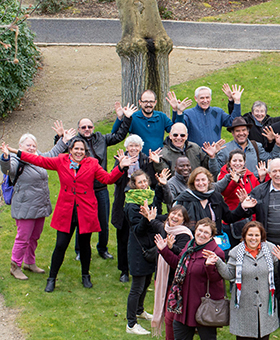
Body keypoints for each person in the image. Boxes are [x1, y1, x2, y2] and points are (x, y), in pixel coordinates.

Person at [3, 138, 137, 292]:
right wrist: (15, 152)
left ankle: (86, 276)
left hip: (85, 211)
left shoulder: (92, 163)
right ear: (70, 150)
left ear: (85, 151)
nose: (79, 152)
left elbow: (107, 179)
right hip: (66, 211)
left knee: (85, 245)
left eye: (82, 149)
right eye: (76, 149)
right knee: (60, 245)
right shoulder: (61, 161)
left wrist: (120, 167)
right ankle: (51, 278)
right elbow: (38, 160)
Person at [1, 124, 72, 280]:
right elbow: (8, 170)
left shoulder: (38, 156)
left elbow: (52, 154)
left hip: (40, 205)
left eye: (34, 145)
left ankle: (29, 263)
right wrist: (5, 157)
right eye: (28, 145)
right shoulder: (15, 159)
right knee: (23, 237)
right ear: (20, 146)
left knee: (35, 237)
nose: (32, 148)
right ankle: (15, 266)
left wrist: (64, 141)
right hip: (24, 206)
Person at [156, 218, 225, 340]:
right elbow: (178, 264)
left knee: (207, 338)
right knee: (181, 333)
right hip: (184, 300)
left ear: (212, 235)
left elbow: (216, 279)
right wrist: (164, 250)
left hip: (203, 304)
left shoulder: (216, 252)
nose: (201, 234)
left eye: (206, 232)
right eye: (200, 230)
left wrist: (209, 266)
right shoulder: (190, 246)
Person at [216, 221, 279, 340]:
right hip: (243, 303)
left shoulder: (271, 251)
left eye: (257, 235)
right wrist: (217, 262)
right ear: (244, 236)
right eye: (250, 235)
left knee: (262, 338)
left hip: (265, 302)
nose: (253, 238)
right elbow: (229, 274)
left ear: (261, 236)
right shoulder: (236, 253)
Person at [69, 103, 135, 261]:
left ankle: (102, 248)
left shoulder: (101, 139)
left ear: (93, 128)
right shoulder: (75, 144)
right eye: (83, 127)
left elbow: (119, 135)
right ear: (78, 129)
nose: (87, 129)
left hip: (101, 188)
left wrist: (126, 119)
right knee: (82, 221)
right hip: (83, 191)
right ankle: (80, 250)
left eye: (89, 126)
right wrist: (59, 138)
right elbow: (61, 150)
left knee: (103, 221)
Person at [112, 134, 162, 283]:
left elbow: (153, 182)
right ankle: (124, 270)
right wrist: (122, 166)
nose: (134, 149)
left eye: (136, 146)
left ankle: (147, 266)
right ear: (126, 148)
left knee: (145, 236)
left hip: (144, 204)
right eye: (131, 146)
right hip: (124, 203)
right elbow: (114, 179)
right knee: (124, 237)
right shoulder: (119, 160)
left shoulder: (146, 159)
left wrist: (155, 164)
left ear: (141, 148)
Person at [148, 205, 192, 340]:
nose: (175, 217)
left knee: (171, 317)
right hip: (163, 279)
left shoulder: (185, 235)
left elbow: (179, 261)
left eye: (180, 215)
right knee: (170, 318)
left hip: (177, 282)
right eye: (173, 213)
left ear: (184, 221)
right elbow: (156, 225)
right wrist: (151, 218)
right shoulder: (165, 229)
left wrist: (170, 248)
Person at [124, 170, 162, 335]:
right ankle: (131, 324)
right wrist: (147, 219)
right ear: (134, 184)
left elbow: (156, 215)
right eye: (140, 182)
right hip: (138, 249)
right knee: (137, 287)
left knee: (146, 282)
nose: (143, 184)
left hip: (151, 246)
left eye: (145, 181)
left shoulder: (150, 196)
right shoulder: (131, 204)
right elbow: (138, 230)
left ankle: (140, 310)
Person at [174, 166, 257, 235]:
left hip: (215, 241)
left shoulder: (216, 197)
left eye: (203, 180)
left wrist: (242, 206)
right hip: (192, 241)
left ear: (208, 181)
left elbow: (229, 218)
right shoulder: (184, 199)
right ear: (193, 182)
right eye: (197, 180)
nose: (200, 183)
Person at [111, 89, 186, 154]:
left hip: (159, 158)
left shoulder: (161, 117)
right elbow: (115, 135)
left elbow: (176, 131)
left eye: (151, 102)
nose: (148, 104)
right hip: (139, 160)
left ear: (155, 102)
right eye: (145, 102)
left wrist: (177, 111)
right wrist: (120, 118)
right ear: (140, 102)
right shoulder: (133, 117)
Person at [217, 149, 262, 247]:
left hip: (248, 219)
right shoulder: (224, 175)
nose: (237, 163)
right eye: (234, 161)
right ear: (229, 162)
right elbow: (225, 193)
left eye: (240, 161)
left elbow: (259, 192)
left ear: (244, 162)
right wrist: (234, 182)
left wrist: (263, 178)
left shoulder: (250, 176)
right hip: (231, 219)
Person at [216, 117, 280, 179]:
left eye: (243, 130)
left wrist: (278, 145)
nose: (241, 133)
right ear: (232, 133)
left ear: (248, 132)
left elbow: (271, 161)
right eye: (237, 131)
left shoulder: (256, 146)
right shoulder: (224, 149)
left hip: (254, 186)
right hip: (234, 187)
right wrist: (212, 157)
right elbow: (216, 171)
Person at [153, 122, 220, 174]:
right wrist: (158, 163)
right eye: (175, 135)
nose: (179, 138)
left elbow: (208, 169)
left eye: (182, 135)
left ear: (186, 136)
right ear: (170, 135)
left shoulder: (195, 148)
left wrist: (211, 156)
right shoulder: (164, 154)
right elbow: (165, 177)